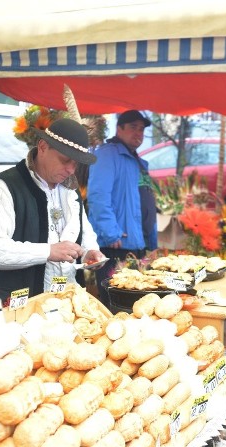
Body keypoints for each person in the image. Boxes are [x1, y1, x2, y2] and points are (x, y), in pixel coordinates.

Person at [0, 118, 103, 301]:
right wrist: (48, 251)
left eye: (76, 163)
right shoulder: (4, 187)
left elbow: (84, 231)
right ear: (43, 147)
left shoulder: (70, 189)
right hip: (19, 305)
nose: (70, 169)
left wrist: (89, 252)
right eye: (65, 160)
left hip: (64, 300)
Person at [87, 110, 157, 307]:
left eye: (142, 129)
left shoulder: (136, 159)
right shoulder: (108, 154)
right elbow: (98, 195)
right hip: (117, 245)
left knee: (137, 303)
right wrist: (110, 233)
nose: (139, 133)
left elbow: (145, 199)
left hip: (136, 243)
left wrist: (152, 242)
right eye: (133, 127)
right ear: (119, 128)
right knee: (117, 303)